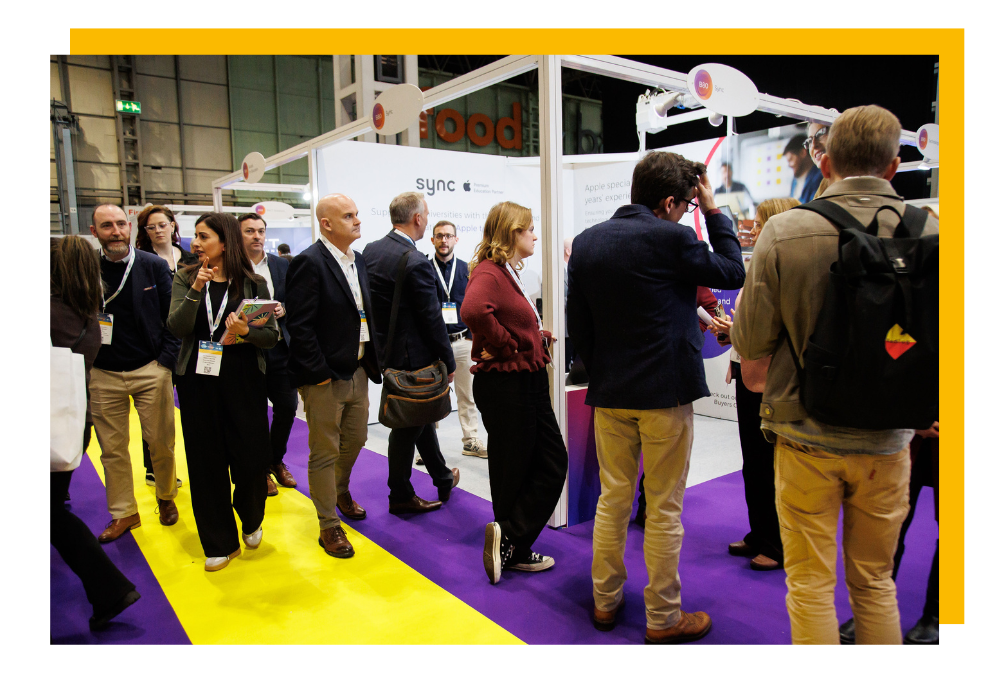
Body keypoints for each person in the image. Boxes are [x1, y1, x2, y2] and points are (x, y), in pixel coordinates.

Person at [731, 104, 940, 644]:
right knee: (875, 583)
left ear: (824, 163)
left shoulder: (785, 232)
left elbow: (750, 356)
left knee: (809, 585)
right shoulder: (934, 234)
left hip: (805, 434)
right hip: (890, 439)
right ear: (893, 166)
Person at [568, 151, 746, 644]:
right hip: (666, 395)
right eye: (687, 204)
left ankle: (605, 602)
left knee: (612, 500)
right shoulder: (673, 238)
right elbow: (733, 270)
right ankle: (663, 618)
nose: (688, 212)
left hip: (611, 393)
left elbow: (579, 324)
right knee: (664, 508)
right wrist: (713, 210)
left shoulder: (587, 242)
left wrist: (604, 372)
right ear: (669, 202)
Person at [462, 201, 568, 584]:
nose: (535, 236)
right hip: (508, 383)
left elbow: (511, 319)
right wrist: (507, 345)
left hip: (525, 379)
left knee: (545, 463)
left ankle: (509, 539)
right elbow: (473, 311)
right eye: (529, 229)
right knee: (516, 469)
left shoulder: (505, 272)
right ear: (512, 233)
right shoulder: (489, 272)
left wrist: (533, 338)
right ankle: (512, 544)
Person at [166, 212, 278, 572]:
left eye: (204, 236)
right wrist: (196, 290)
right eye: (195, 236)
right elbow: (177, 327)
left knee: (252, 460)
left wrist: (246, 331)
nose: (195, 243)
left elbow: (270, 337)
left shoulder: (253, 283)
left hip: (243, 379)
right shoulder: (185, 278)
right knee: (205, 462)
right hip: (197, 380)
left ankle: (251, 517)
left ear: (225, 242)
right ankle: (219, 542)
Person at [50, 236, 140, 633]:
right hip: (72, 423)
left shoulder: (55, 313)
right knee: (54, 512)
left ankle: (110, 589)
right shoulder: (87, 314)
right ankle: (110, 591)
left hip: (58, 422)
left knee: (54, 515)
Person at [285, 194, 383, 558]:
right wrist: (319, 374)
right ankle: (328, 524)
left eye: (356, 214)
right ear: (326, 224)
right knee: (324, 450)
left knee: (356, 439)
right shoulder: (309, 262)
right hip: (324, 377)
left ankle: (339, 490)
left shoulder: (357, 261)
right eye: (348, 216)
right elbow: (300, 326)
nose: (357, 220)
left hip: (358, 369)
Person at [713, 197, 799, 572]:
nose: (754, 228)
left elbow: (777, 331)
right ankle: (760, 532)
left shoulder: (786, 269)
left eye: (761, 222)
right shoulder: (760, 265)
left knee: (768, 465)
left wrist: (737, 331)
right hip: (750, 375)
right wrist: (733, 335)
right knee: (753, 463)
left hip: (771, 382)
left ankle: (777, 543)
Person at [88, 204, 181, 543]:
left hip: (149, 369)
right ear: (94, 231)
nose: (115, 231)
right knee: (112, 450)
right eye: (106, 226)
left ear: (129, 228)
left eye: (119, 224)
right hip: (102, 372)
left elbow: (173, 317)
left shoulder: (152, 265)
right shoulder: (86, 267)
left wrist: (165, 362)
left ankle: (166, 496)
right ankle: (124, 512)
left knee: (160, 442)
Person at [363, 192, 458, 514]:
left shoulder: (371, 251)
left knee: (419, 420)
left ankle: (443, 478)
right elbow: (431, 319)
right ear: (417, 218)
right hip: (413, 360)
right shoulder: (415, 260)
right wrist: (448, 361)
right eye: (426, 215)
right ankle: (400, 495)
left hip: (385, 352)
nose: (427, 220)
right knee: (407, 428)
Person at [238, 213, 298, 497]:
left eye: (261, 231)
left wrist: (284, 307)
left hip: (279, 348)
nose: (257, 236)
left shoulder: (280, 264)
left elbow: (296, 297)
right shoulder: (232, 266)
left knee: (287, 406)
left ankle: (276, 459)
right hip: (247, 350)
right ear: (238, 235)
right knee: (254, 414)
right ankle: (260, 468)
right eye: (250, 231)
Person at [136, 205, 194, 490]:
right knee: (157, 416)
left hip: (192, 344)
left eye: (162, 224)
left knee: (192, 408)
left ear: (173, 225)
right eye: (151, 227)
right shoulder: (141, 262)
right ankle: (155, 468)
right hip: (158, 346)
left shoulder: (192, 259)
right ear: (145, 232)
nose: (158, 230)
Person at [428, 220, 487, 459]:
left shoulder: (468, 269)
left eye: (448, 236)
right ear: (432, 239)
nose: (444, 240)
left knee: (467, 395)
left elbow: (477, 305)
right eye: (439, 236)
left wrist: (473, 337)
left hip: (462, 341)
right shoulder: (424, 268)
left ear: (456, 239)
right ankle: (428, 447)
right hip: (433, 345)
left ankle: (470, 440)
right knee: (430, 397)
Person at [783, 133, 823, 204]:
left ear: (803, 153)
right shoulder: (795, 181)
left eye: (791, 159)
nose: (789, 165)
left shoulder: (819, 177)